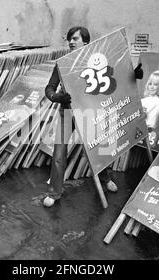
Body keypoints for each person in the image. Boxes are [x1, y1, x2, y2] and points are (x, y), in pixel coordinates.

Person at [42, 26, 143, 207]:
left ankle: (106, 179)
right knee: (59, 152)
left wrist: (132, 75)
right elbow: (49, 89)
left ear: (86, 42)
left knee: (99, 147)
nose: (71, 42)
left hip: (90, 111)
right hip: (67, 111)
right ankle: (54, 192)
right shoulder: (62, 64)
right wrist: (57, 97)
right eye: (69, 39)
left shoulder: (98, 60)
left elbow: (116, 78)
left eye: (75, 39)